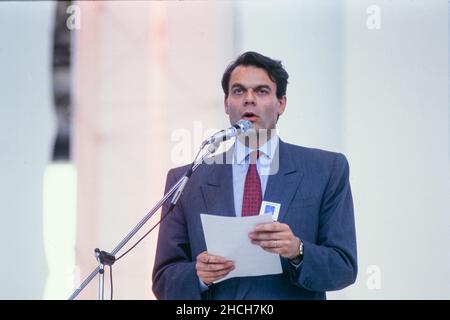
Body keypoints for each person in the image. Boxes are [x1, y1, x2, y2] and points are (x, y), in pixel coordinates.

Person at [152, 51, 357, 300]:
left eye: (261, 91)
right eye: (238, 91)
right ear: (227, 103)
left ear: (281, 103)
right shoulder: (187, 180)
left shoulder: (326, 170)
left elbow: (343, 267)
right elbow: (163, 279)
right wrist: (198, 276)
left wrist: (298, 250)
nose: (249, 99)